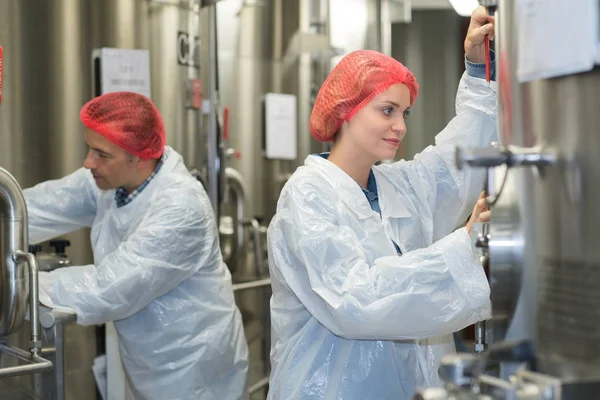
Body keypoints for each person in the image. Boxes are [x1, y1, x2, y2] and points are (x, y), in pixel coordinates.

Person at [266, 7, 496, 400]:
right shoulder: (306, 197)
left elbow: (458, 159)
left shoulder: (398, 184)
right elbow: (357, 300)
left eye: (404, 113)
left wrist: (477, 69)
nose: (401, 126)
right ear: (345, 111)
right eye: (386, 110)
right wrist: (465, 245)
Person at [24, 91, 249, 400]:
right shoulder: (111, 181)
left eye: (101, 154)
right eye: (89, 148)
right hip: (149, 364)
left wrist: (19, 287)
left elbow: (109, 287)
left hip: (195, 372)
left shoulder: (181, 209)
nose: (88, 162)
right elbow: (39, 206)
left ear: (139, 157)